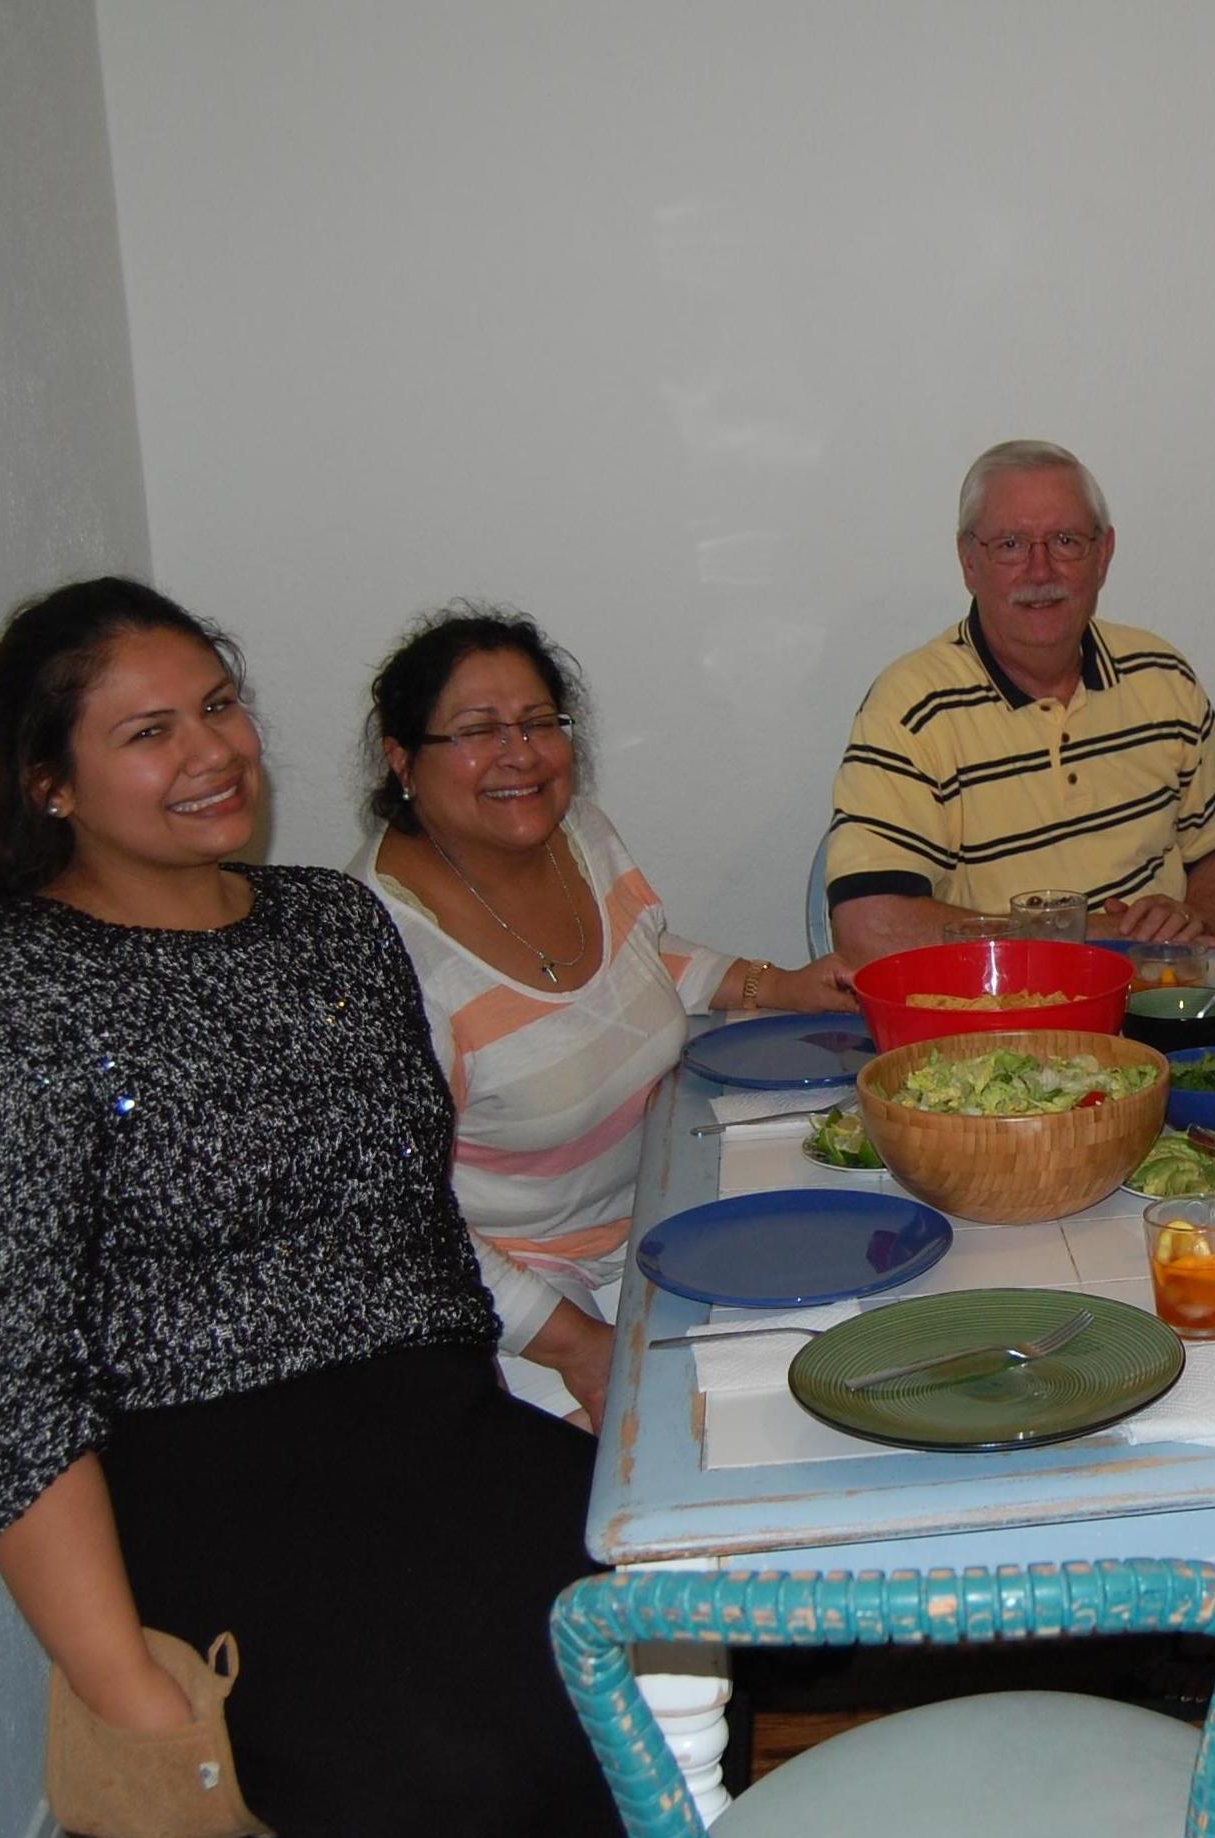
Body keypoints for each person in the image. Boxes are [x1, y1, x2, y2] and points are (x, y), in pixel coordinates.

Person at [0, 578, 654, 1838]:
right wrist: (124, 1683)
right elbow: (2, 1382)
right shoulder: (1, 1002)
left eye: (217, 706)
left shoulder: (333, 926)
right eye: (148, 732)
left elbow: (414, 1221)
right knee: (406, 1817)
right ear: (51, 784)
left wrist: (551, 1369)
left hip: (432, 1413)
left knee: (641, 1665)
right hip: (199, 1463)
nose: (211, 753)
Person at [354, 608, 853, 1428]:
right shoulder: (381, 952)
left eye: (539, 723)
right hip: (505, 1298)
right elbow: (395, 1218)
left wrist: (779, 984)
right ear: (402, 758)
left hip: (656, 1213)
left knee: (840, 1349)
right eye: (478, 731)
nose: (520, 754)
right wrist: (580, 1344)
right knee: (685, 1445)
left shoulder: (576, 832)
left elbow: (639, 961)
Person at [824, 440, 1215, 965]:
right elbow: (868, 925)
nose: (1040, 570)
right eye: (1010, 544)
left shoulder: (1159, 674)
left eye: (1065, 541)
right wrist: (1094, 936)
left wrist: (1190, 919)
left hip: (1154, 1003)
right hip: (994, 1021)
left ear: (1103, 555)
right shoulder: (911, 708)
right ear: (969, 561)